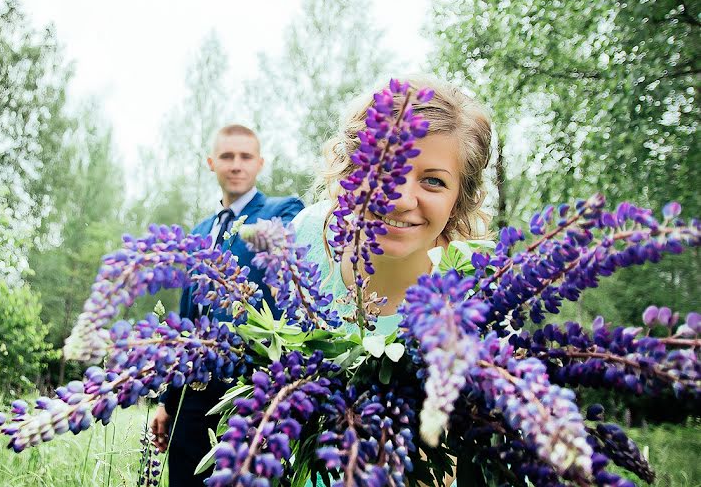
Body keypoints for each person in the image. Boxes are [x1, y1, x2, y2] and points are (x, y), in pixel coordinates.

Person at [293, 76, 492, 486]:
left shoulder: (474, 289)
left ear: (460, 198)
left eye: (433, 180)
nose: (401, 198)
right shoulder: (309, 236)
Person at [150, 124, 305, 486]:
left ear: (260, 163)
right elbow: (184, 319)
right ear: (211, 163)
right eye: (227, 156)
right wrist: (164, 400)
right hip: (193, 384)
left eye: (245, 156)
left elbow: (282, 265)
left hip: (251, 382)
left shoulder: (282, 212)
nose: (236, 165)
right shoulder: (199, 231)